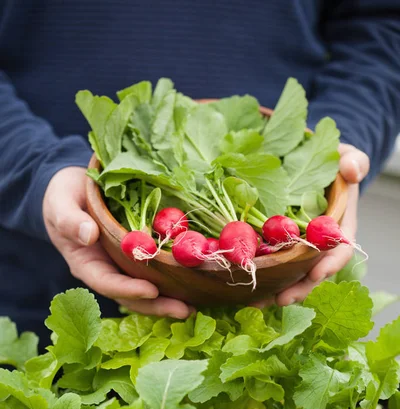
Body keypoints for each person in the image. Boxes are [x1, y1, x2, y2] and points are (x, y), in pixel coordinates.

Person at [1, 0, 399, 344]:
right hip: (33, 284)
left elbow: (383, 24)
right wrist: (34, 168)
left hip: (278, 295)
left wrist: (339, 144)